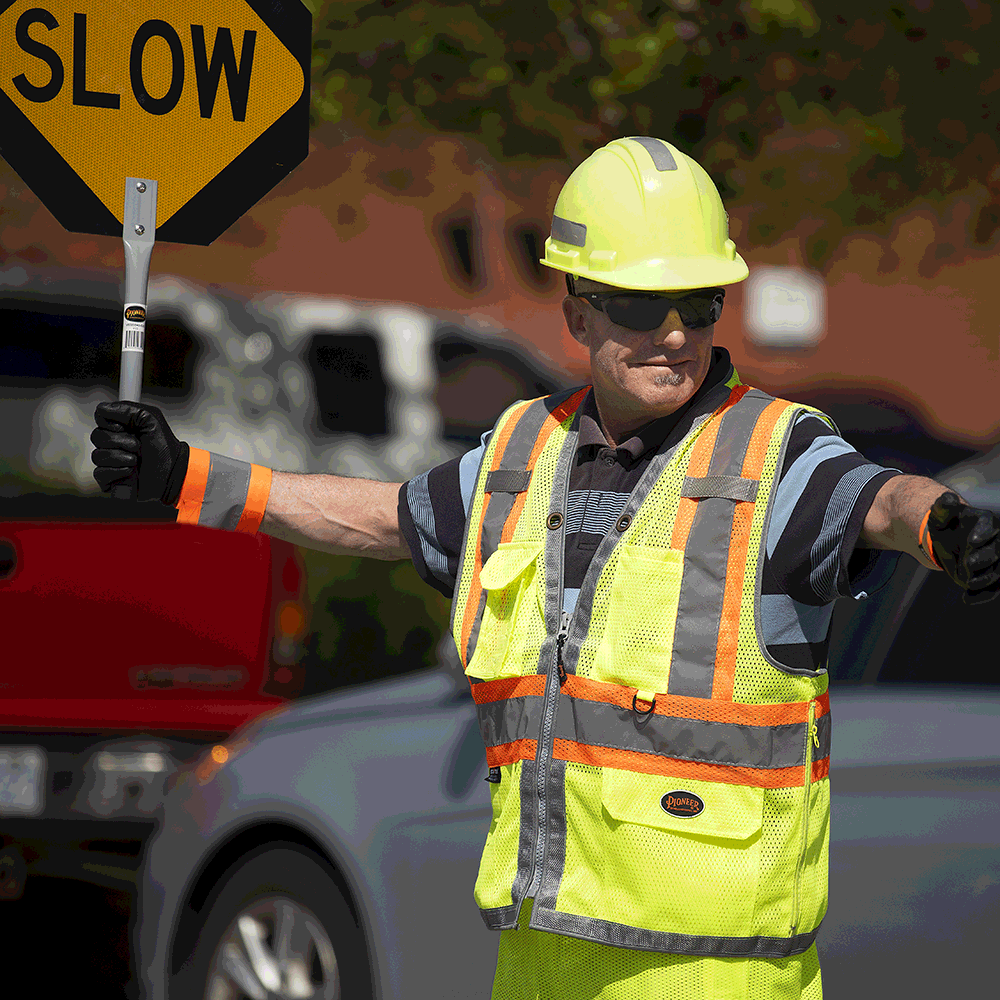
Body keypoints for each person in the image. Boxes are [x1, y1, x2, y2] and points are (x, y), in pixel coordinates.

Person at [91, 136, 999, 1000]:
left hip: (712, 977)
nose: (676, 334)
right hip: (540, 958)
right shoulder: (523, 452)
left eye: (700, 304)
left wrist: (940, 526)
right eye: (643, 307)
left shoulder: (776, 454)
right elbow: (376, 516)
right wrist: (190, 478)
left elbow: (882, 501)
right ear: (577, 308)